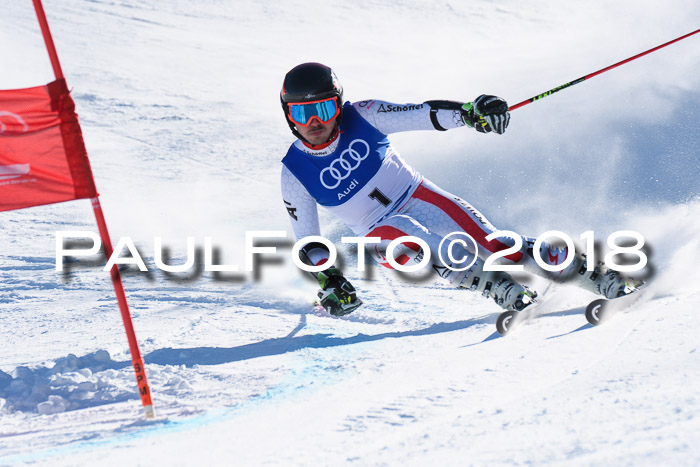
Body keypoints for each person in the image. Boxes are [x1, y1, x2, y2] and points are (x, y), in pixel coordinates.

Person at [280, 62, 635, 316]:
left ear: (338, 105)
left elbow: (423, 114)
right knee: (424, 245)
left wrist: (469, 113)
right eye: (301, 113)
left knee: (497, 245)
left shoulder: (366, 115)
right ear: (288, 116)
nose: (314, 123)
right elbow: (309, 243)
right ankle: (495, 285)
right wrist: (330, 279)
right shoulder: (295, 173)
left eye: (323, 109)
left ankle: (594, 276)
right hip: (376, 231)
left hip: (417, 195)